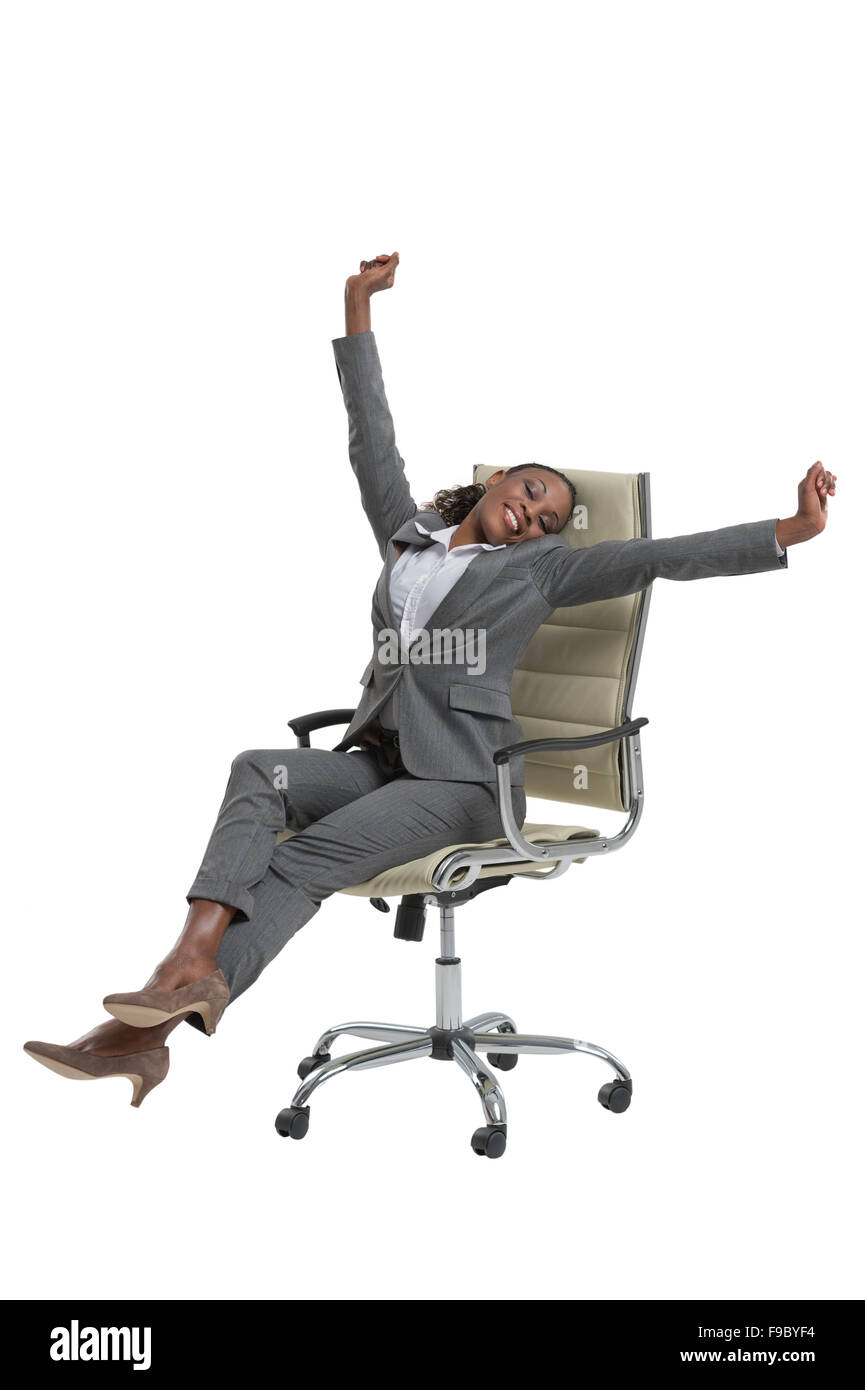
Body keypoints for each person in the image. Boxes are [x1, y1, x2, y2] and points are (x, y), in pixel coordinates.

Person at [23, 251, 838, 1108]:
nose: (532, 514)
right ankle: (185, 970)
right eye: (527, 492)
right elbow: (370, 437)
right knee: (255, 771)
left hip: (466, 783)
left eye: (548, 517)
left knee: (300, 863)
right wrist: (355, 308)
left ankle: (141, 1030)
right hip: (380, 759)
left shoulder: (541, 573)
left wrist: (788, 529)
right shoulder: (407, 536)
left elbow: (659, 559)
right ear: (493, 484)